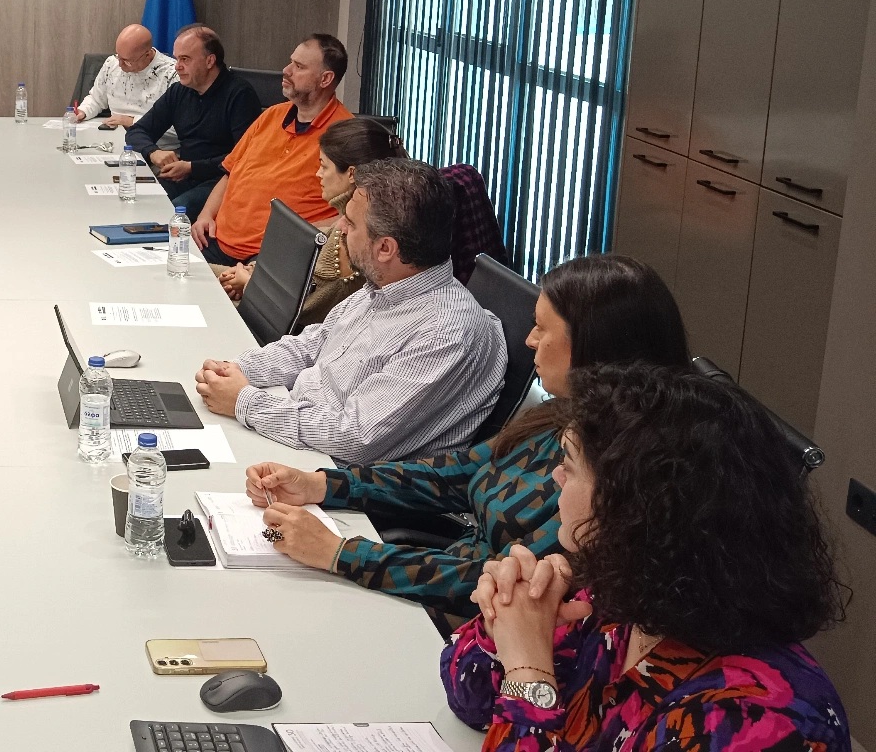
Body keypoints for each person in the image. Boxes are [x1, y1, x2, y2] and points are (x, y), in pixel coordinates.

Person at [241, 254, 689, 619]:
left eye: (543, 328)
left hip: (468, 616)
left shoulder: (614, 473)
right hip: (431, 586)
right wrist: (324, 484)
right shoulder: (565, 412)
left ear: (593, 345)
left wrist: (341, 553)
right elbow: (459, 472)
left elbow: (499, 583)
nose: (529, 340)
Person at [442, 364, 849, 752]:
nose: (556, 476)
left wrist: (528, 670)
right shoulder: (622, 599)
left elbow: (521, 697)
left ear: (637, 508)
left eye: (570, 466)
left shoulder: (754, 720)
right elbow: (472, 701)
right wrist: (506, 625)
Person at [195, 159, 506, 465]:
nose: (340, 228)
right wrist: (235, 370)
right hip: (297, 427)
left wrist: (244, 401)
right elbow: (311, 345)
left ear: (385, 248)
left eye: (351, 222)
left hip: (331, 470)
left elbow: (355, 438)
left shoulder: (443, 333)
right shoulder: (386, 285)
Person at [192, 35, 355, 276]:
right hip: (216, 240)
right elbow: (230, 173)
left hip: (271, 256)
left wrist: (298, 237)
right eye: (291, 62)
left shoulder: (345, 134)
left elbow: (353, 212)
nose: (286, 70)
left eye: (299, 66)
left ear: (325, 79)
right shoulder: (272, 115)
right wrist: (206, 215)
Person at [219, 117, 405, 311]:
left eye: (324, 166)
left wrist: (248, 283)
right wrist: (248, 273)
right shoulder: (343, 226)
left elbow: (303, 312)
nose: (318, 174)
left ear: (351, 174)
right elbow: (286, 268)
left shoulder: (358, 241)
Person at [124, 25, 262, 219]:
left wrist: (192, 167)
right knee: (137, 200)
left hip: (221, 180)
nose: (177, 66)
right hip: (183, 176)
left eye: (185, 59)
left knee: (175, 213)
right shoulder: (179, 91)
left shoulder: (239, 95)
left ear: (209, 61)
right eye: (177, 58)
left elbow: (245, 157)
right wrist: (154, 152)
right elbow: (137, 131)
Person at [73, 24, 178, 147]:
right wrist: (83, 111)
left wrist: (132, 121)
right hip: (113, 142)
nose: (120, 65)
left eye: (127, 61)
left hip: (156, 148)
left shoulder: (173, 74)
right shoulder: (112, 63)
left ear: (148, 55)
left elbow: (178, 129)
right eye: (118, 56)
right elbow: (96, 99)